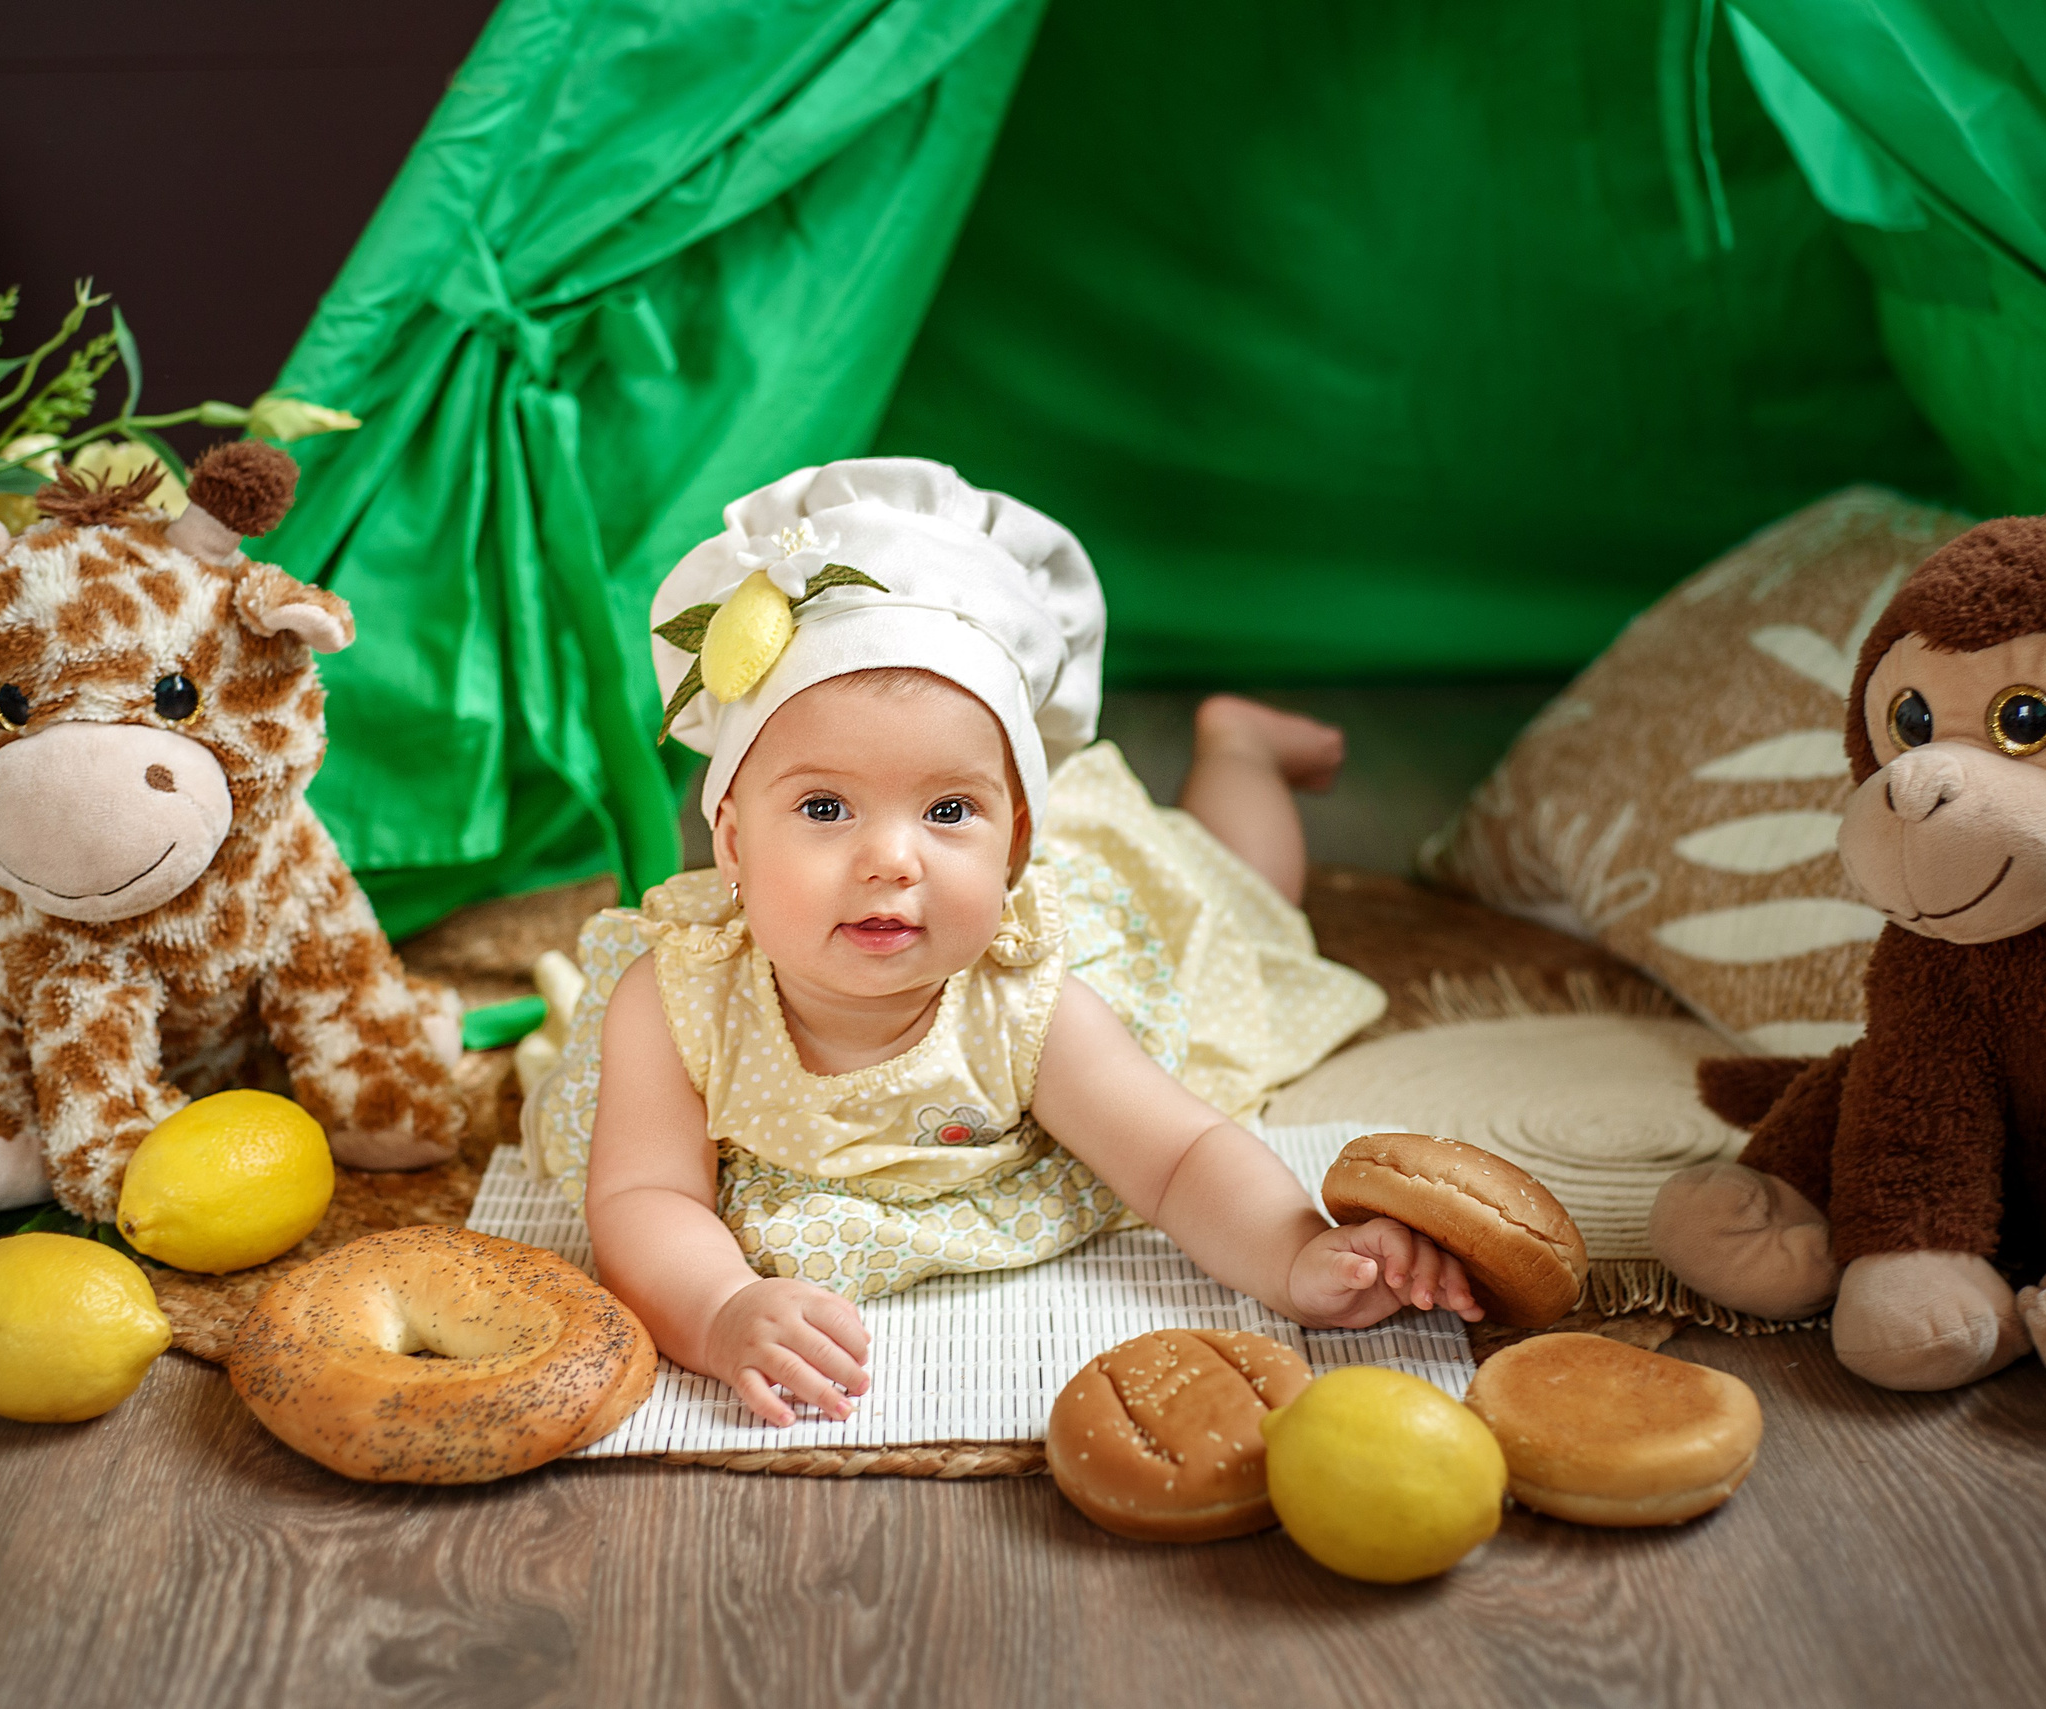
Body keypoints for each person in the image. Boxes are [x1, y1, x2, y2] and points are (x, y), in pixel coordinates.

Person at [522, 458, 1478, 1426]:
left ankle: (1238, 749)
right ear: (731, 839)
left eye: (948, 809)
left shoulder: (1030, 1001)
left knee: (1242, 896)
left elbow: (1179, 1155)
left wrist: (1291, 1252)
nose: (891, 858)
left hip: (1135, 907)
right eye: (824, 806)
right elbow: (645, 1191)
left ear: (1017, 844)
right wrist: (719, 1307)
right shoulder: (677, 995)